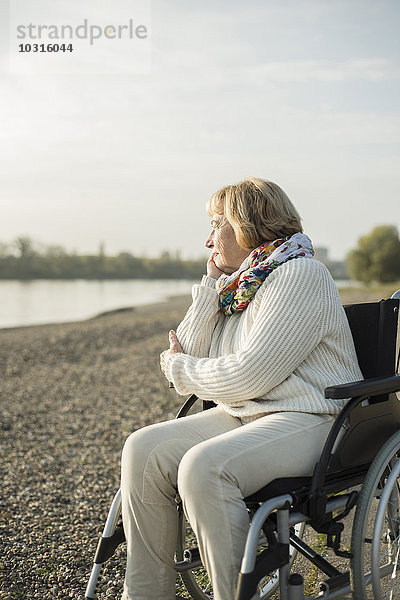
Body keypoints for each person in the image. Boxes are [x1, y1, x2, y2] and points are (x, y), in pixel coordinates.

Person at [120, 177, 363, 600]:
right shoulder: (242, 285)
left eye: (218, 223)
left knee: (204, 467)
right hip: (249, 411)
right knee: (143, 449)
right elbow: (193, 351)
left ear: (250, 224)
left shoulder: (300, 274)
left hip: (314, 416)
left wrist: (181, 367)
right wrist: (209, 288)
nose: (208, 237)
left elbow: (246, 374)